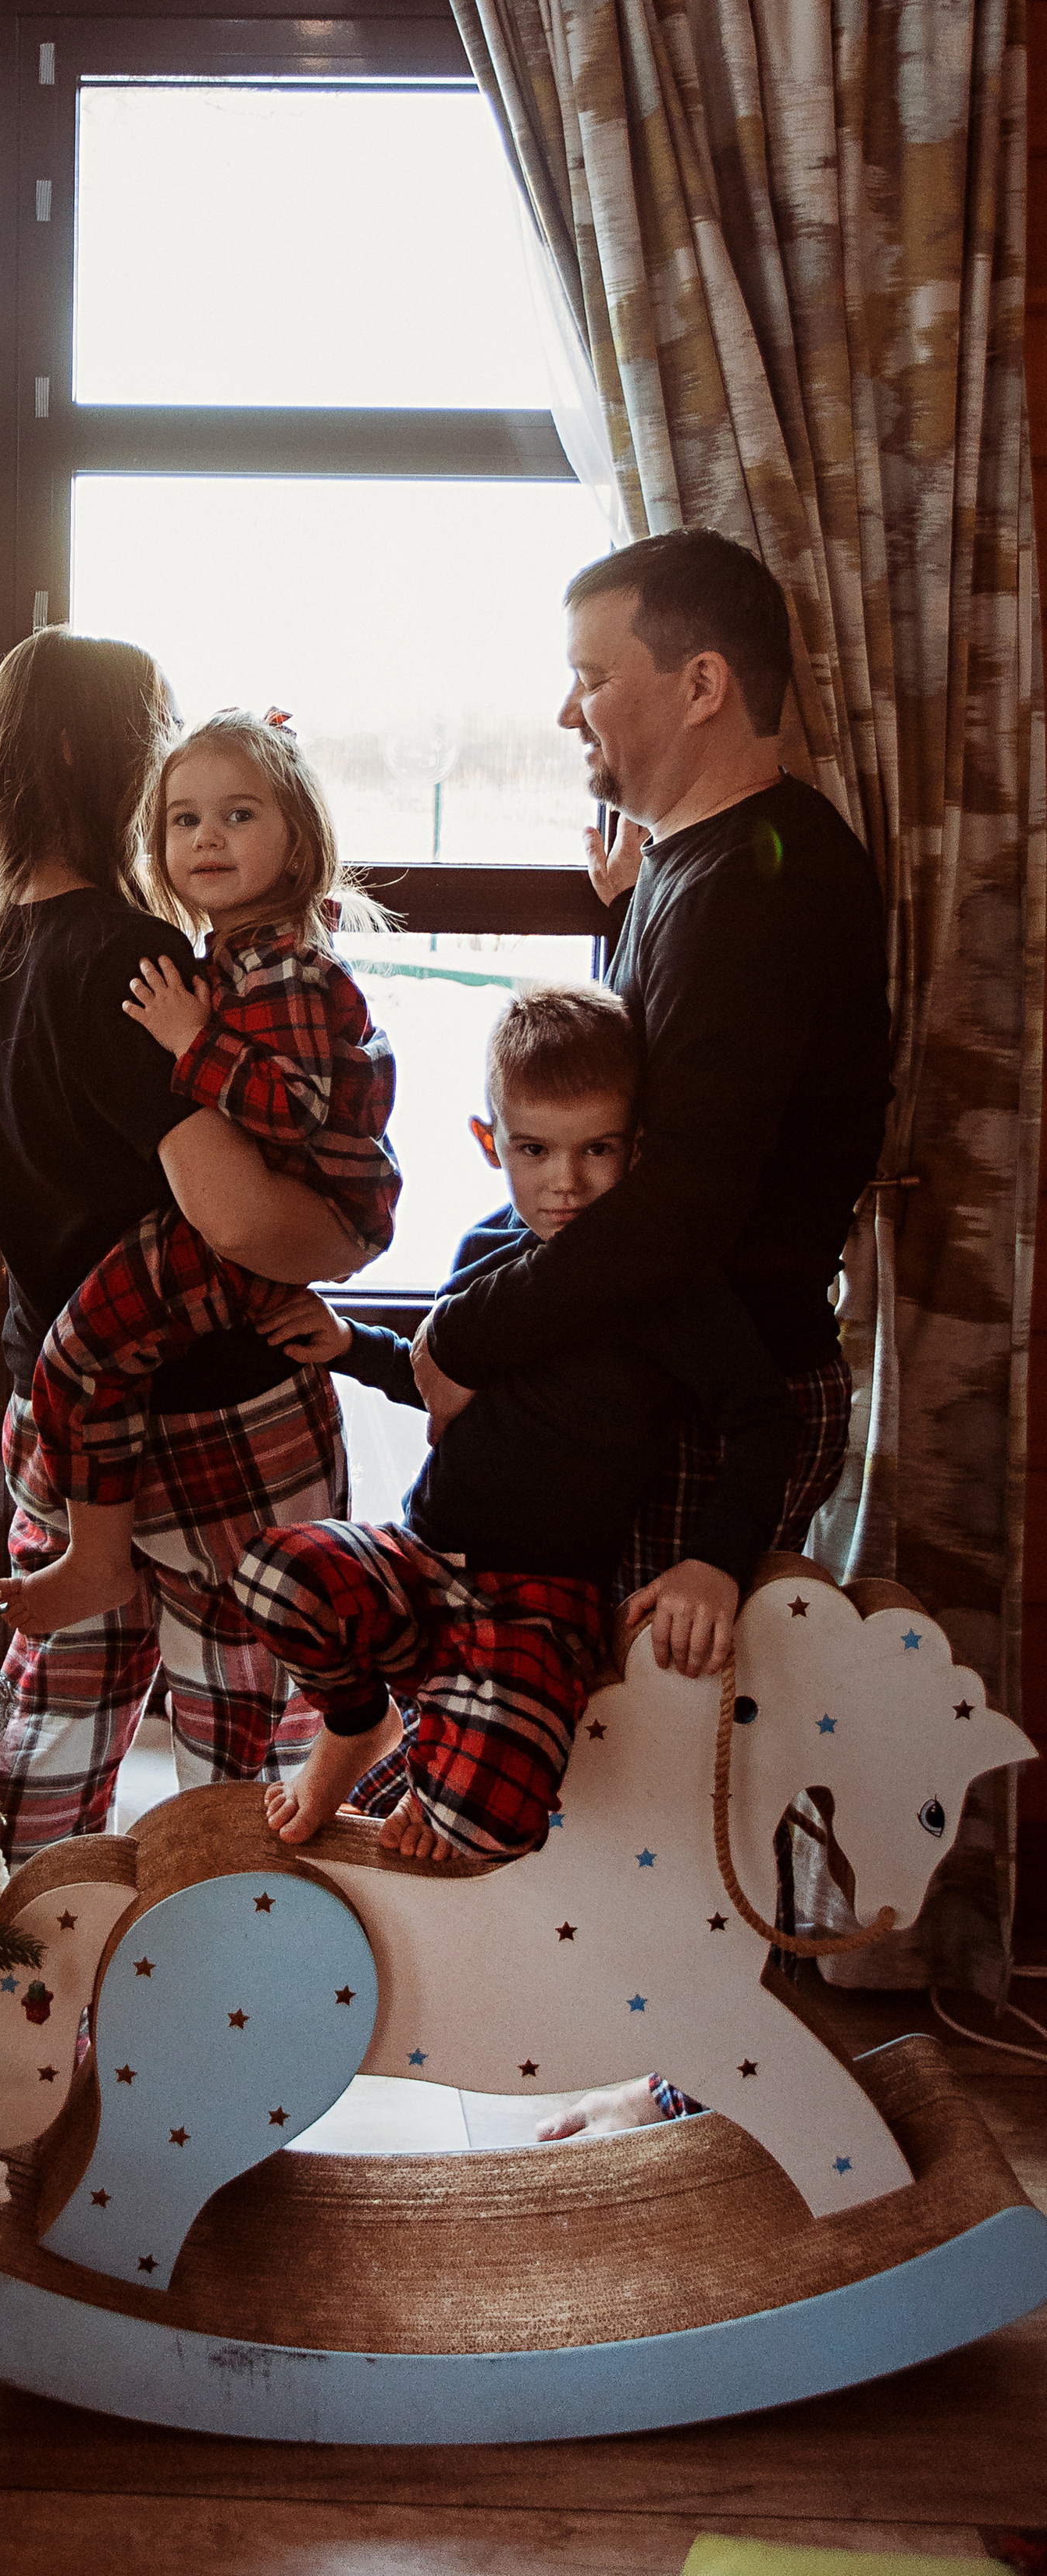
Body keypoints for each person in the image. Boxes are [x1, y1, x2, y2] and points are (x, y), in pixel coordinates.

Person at [408, 527, 890, 2131]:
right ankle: (679, 2086)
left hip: (718, 1403)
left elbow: (670, 1213)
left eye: (589, 677)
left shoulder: (758, 884)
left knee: (676, 1784)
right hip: (678, 1387)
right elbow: (646, 1106)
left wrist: (467, 1340)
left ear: (695, 683)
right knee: (646, 1761)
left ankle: (707, 2117)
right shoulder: (700, 863)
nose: (567, 715)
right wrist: (621, 913)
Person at [0, 630, 362, 1863]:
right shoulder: (127, 956)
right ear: (86, 753)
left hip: (60, 1424)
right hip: (214, 1416)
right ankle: (216, 2034)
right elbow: (241, 1220)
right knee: (254, 1756)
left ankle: (13, 2023)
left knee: (49, 1738)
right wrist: (341, 1231)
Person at [219, 985, 796, 1856]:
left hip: (539, 1606)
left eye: (597, 1150)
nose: (566, 1183)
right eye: (535, 1149)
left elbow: (763, 1420)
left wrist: (714, 1561)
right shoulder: (487, 1252)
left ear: (638, 1150)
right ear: (491, 1144)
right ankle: (359, 1725)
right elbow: (441, 1385)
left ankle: (440, 1752)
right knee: (273, 1571)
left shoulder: (667, 1286)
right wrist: (350, 1344)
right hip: (421, 1560)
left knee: (481, 1820)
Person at [17, 708, 400, 1564]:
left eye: (239, 815)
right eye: (182, 820)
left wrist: (194, 1043)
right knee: (90, 1344)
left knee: (80, 1350)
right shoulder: (234, 954)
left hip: (299, 1211)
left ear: (296, 842)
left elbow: (294, 1107)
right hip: (288, 1218)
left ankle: (93, 1556)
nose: (206, 839)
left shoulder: (278, 967)